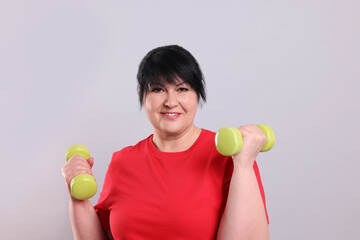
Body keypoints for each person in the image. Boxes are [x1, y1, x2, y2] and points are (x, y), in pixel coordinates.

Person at [62, 45, 270, 240]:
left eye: (182, 89)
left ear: (197, 94)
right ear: (142, 93)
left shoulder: (231, 158)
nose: (171, 102)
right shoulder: (123, 161)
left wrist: (243, 165)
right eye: (159, 89)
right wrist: (76, 193)